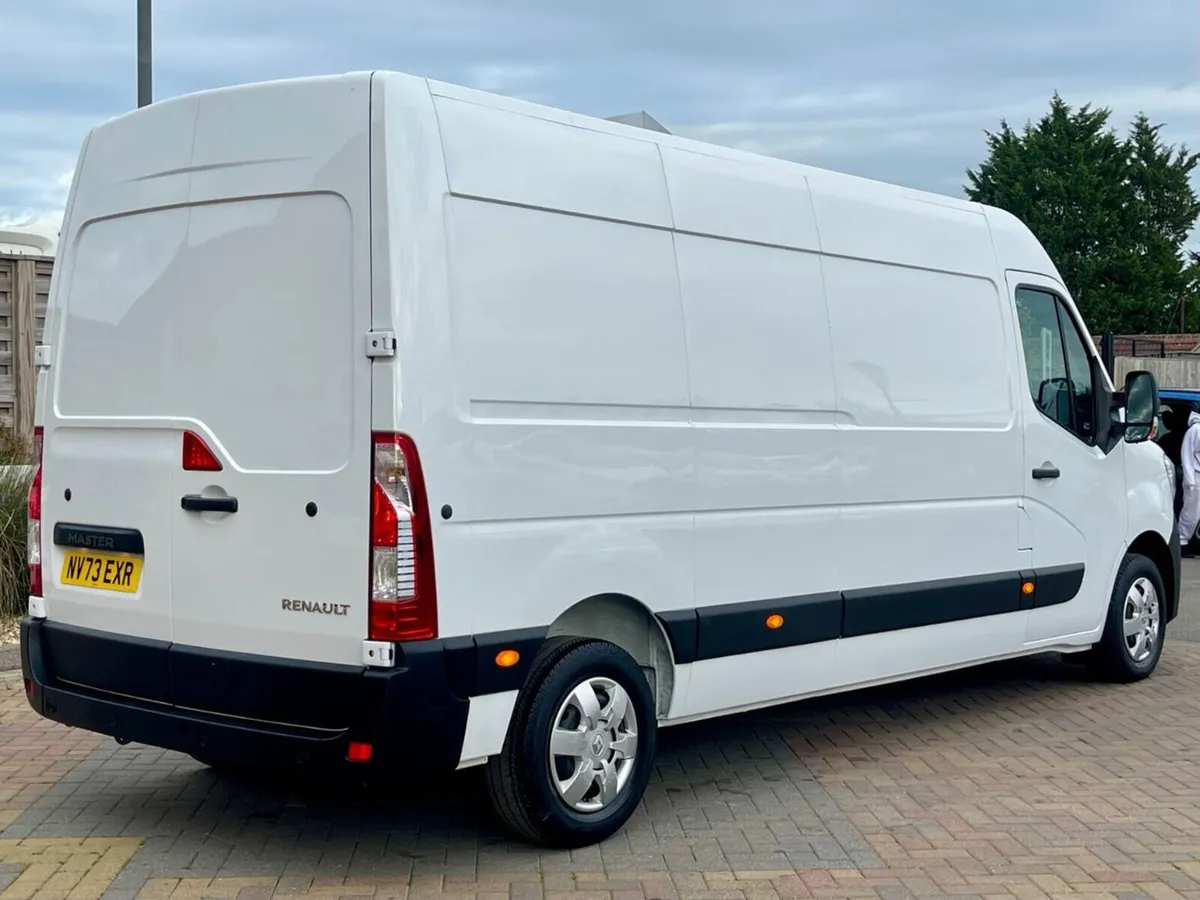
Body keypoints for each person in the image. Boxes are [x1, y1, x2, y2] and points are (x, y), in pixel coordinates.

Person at [1178, 407, 1200, 557]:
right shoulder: (1195, 430)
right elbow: (1186, 456)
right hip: (1195, 477)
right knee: (1191, 513)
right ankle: (1181, 541)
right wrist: (1190, 480)